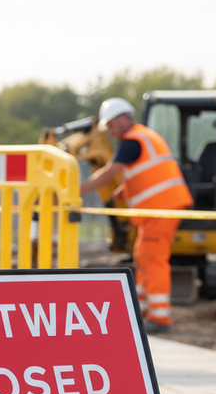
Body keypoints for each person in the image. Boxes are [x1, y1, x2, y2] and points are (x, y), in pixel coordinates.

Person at [80, 98, 193, 333]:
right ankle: (142, 310)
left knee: (152, 258)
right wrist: (122, 193)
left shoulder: (132, 141)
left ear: (122, 119)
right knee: (143, 256)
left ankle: (159, 317)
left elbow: (109, 173)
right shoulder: (143, 137)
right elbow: (144, 174)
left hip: (160, 209)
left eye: (110, 126)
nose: (110, 132)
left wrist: (78, 189)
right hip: (160, 208)